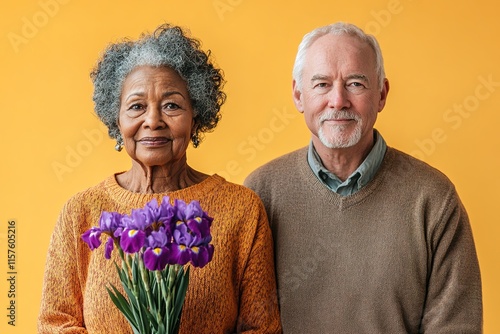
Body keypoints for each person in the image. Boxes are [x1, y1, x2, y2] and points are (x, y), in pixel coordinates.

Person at [38, 24, 282, 333]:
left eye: (171, 105)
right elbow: (56, 323)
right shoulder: (81, 212)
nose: (153, 121)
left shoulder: (241, 209)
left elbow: (261, 327)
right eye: (137, 106)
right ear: (117, 119)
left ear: (196, 117)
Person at [244, 22, 482, 333]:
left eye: (356, 83)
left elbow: (457, 326)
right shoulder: (260, 194)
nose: (338, 100)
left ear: (381, 94)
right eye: (322, 84)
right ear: (299, 95)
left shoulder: (433, 199)